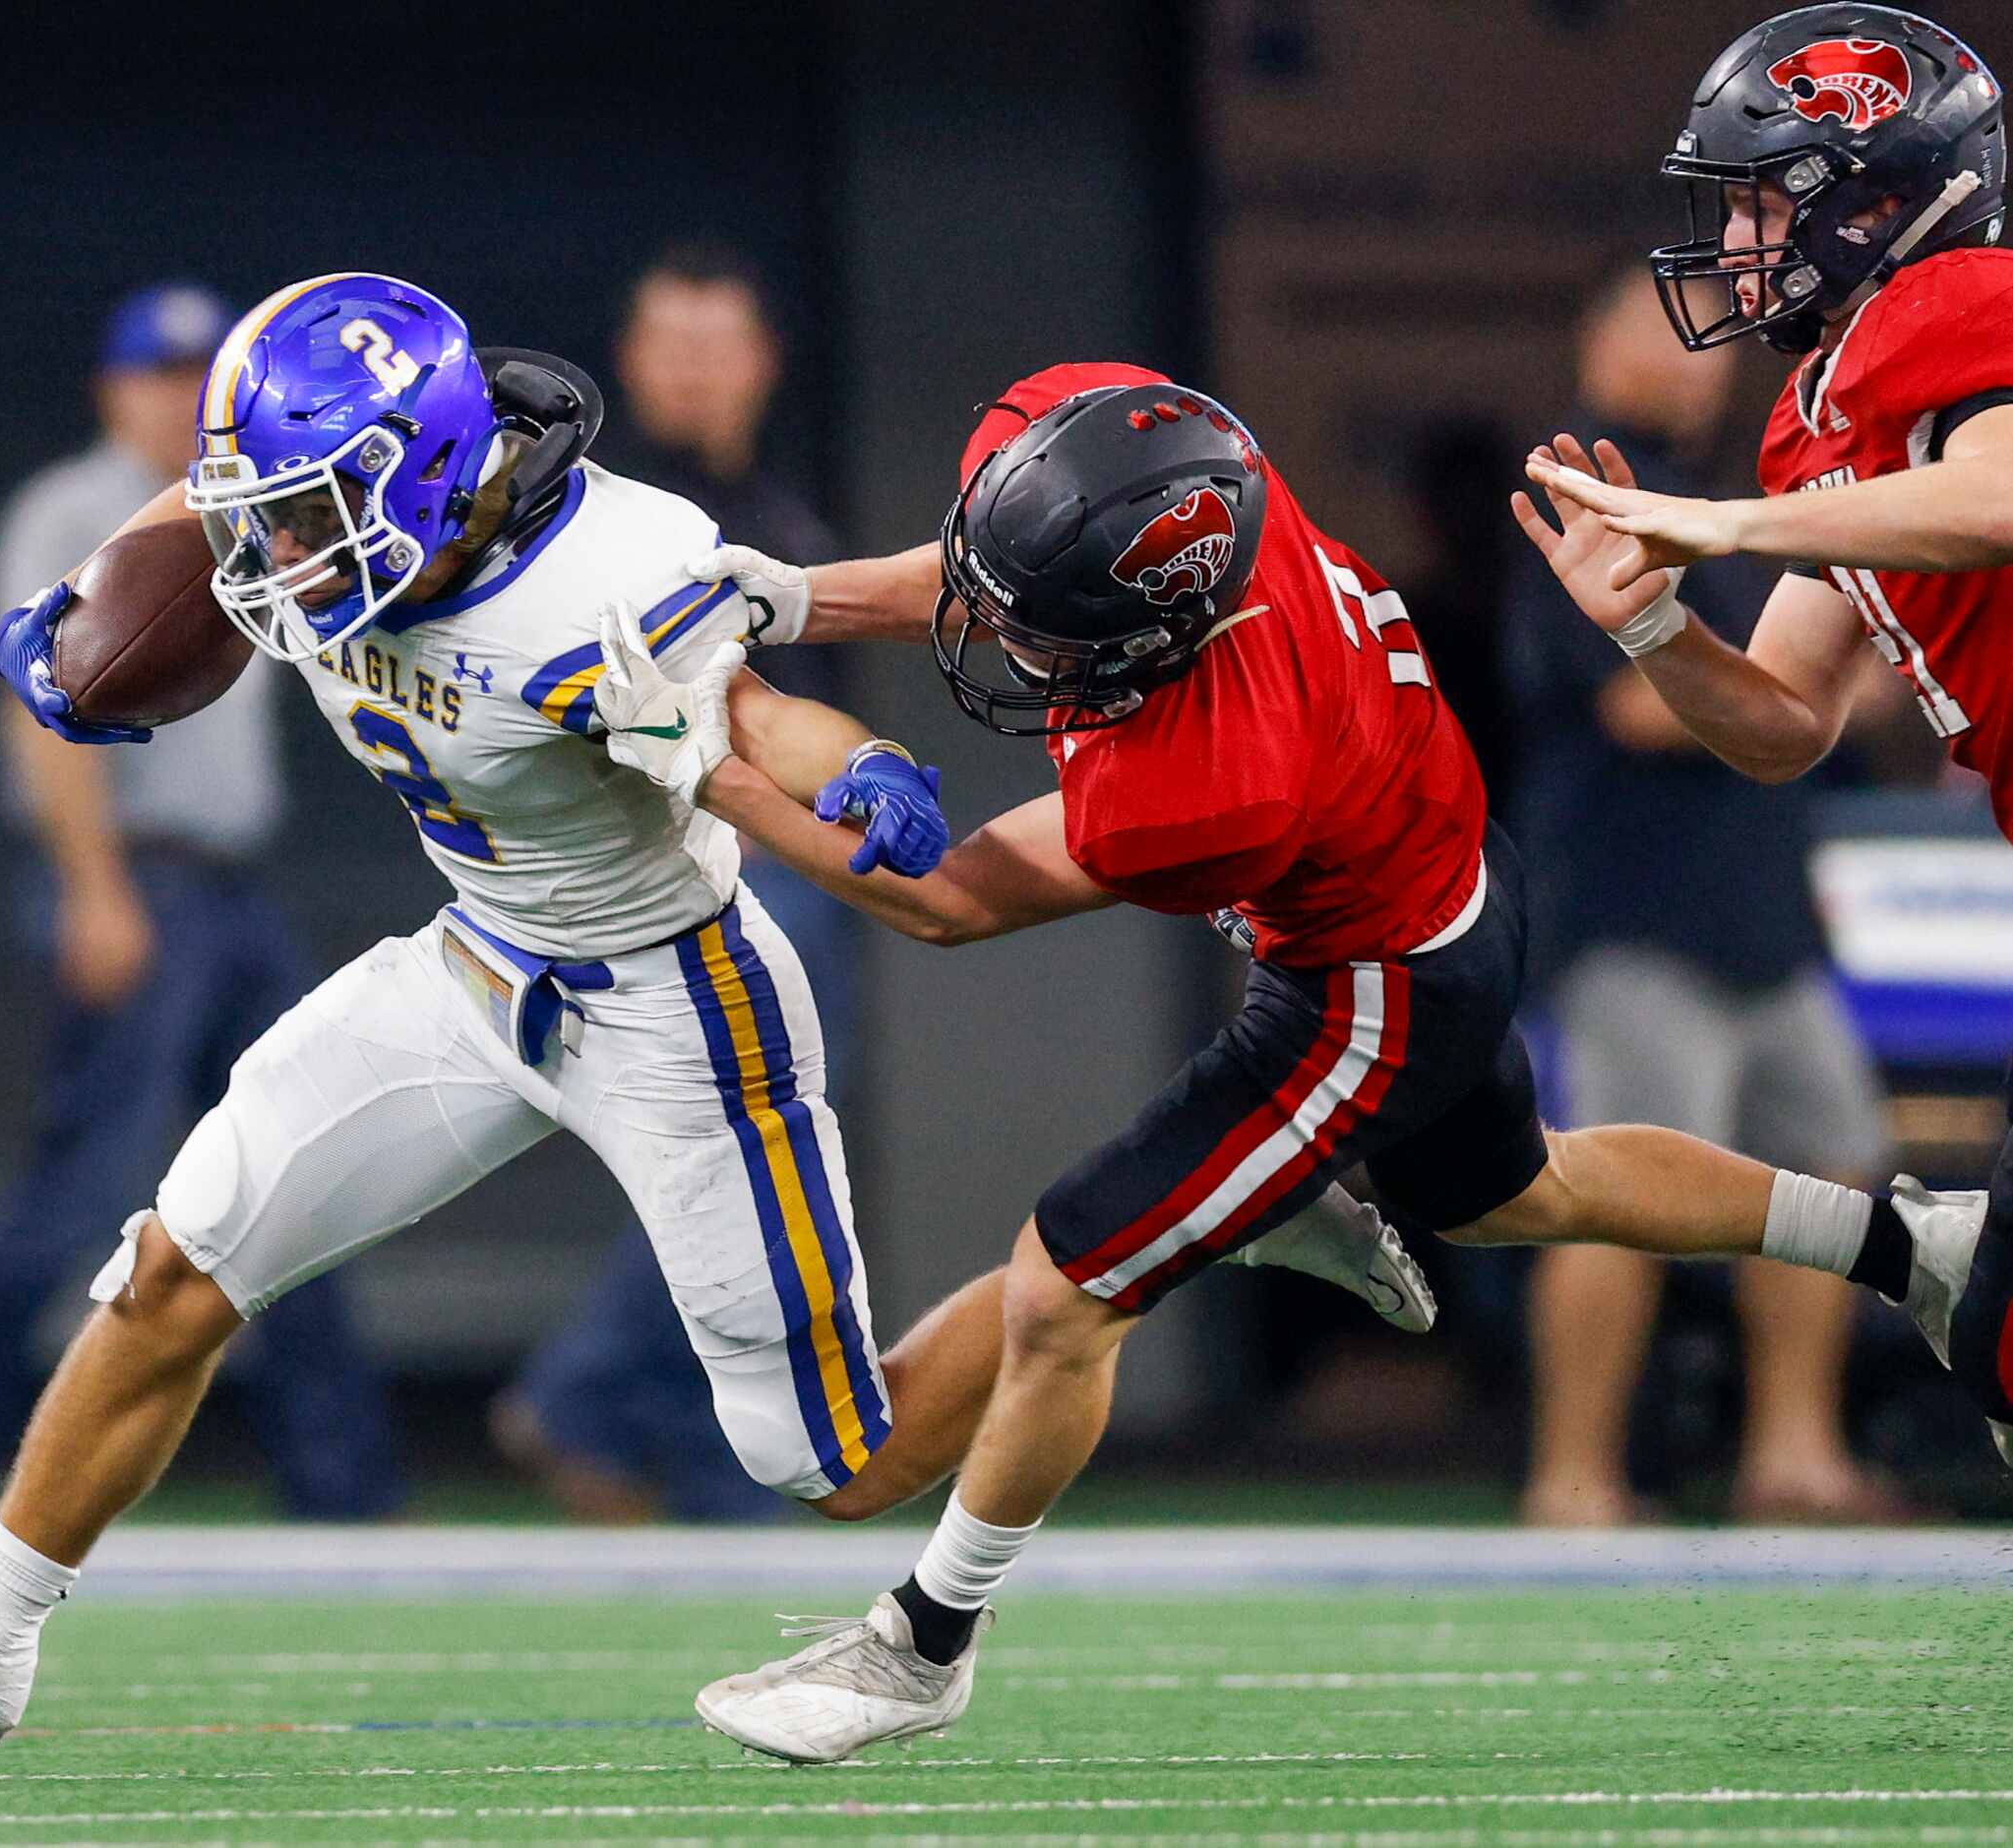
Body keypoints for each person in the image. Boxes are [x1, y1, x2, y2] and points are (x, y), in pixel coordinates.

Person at [0, 273, 1414, 1749]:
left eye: (309, 515)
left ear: (422, 476)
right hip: (470, 964)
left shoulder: (617, 571)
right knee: (175, 1262)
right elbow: (198, 525)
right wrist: (96, 610)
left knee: (835, 1461)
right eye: (267, 512)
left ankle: (1222, 1221)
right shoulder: (303, 507)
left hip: (678, 1003)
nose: (274, 554)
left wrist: (876, 769)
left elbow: (762, 716)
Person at [598, 358, 1972, 1764]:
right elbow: (999, 570)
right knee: (1521, 1192)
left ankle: (925, 1643)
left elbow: (951, 899)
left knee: (1067, 1283)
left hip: (1368, 990)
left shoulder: (1210, 780)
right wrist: (798, 596)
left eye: (1063, 642)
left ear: (1158, 634)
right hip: (1449, 888)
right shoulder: (1159, 456)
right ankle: (1899, 1241)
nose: (1022, 652)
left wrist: (696, 761)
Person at [1506, 4, 2013, 1455]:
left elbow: (1997, 494)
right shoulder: (1819, 408)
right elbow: (1783, 717)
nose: (1732, 241)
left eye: (1757, 197)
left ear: (1877, 198)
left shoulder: (1956, 301)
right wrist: (1659, 626)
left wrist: (1726, 520)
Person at [0, 282, 404, 1523]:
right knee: (87, 1180)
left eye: (197, 373)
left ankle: (344, 1488)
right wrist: (95, 890)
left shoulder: (256, 506)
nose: (175, 394)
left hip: (233, 891)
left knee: (300, 1171)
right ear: (112, 389)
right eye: (156, 373)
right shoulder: (73, 508)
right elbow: (37, 707)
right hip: (133, 877)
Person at [1506, 266, 1898, 1528]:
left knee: (1833, 1172)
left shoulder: (1752, 505)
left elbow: (1822, 686)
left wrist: (1815, 684)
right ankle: (1573, 1478)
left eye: (1705, 335)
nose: (1689, 356)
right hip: (1637, 918)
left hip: (1766, 919)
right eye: (1653, 326)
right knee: (1621, 1193)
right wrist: (1796, 686)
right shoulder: (1576, 495)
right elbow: (1638, 704)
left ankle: (1793, 1455)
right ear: (1591, 336)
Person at [493, 245, 855, 1522]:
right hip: (686, 866)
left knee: (743, 1156)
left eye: (720, 343)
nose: (696, 369)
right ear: (631, 363)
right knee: (754, 1153)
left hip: (789, 857)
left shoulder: (775, 504)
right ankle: (591, 1392)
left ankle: (708, 1456)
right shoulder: (599, 514)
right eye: (672, 344)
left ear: (762, 360)